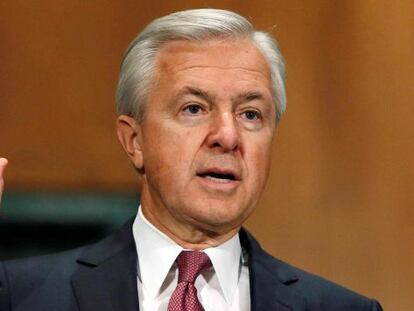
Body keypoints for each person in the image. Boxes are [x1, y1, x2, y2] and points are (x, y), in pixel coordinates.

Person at [0, 9, 382, 311]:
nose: (228, 137)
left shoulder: (342, 307)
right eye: (194, 108)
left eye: (250, 114)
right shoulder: (18, 295)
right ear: (134, 141)